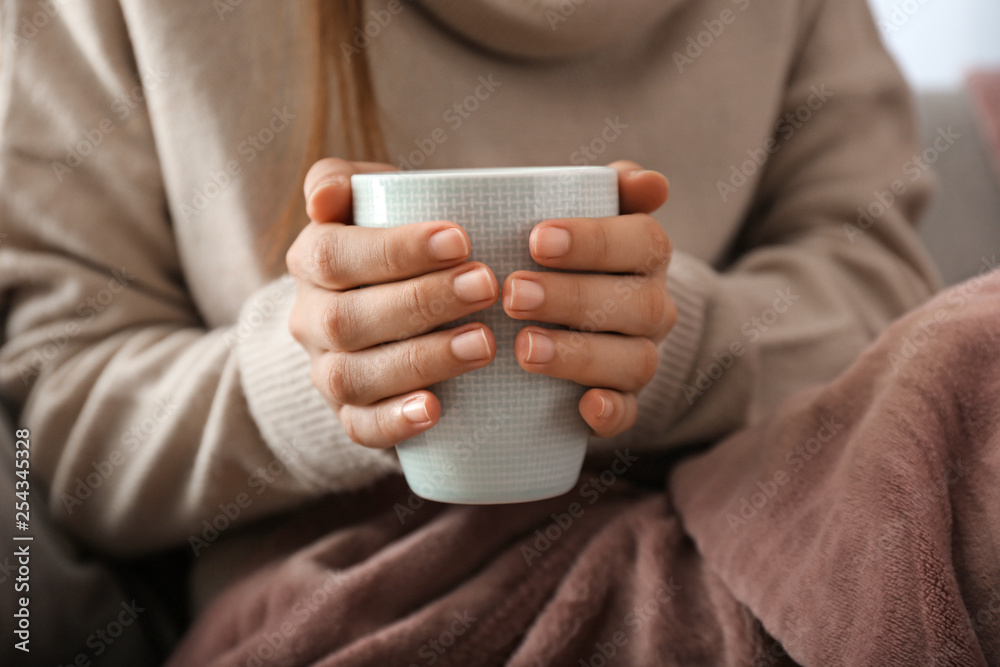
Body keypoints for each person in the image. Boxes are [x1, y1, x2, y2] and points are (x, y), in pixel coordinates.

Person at [0, 0, 941, 661]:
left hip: (755, 509)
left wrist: (672, 341)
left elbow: (890, 288)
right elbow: (61, 427)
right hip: (360, 587)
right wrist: (318, 376)